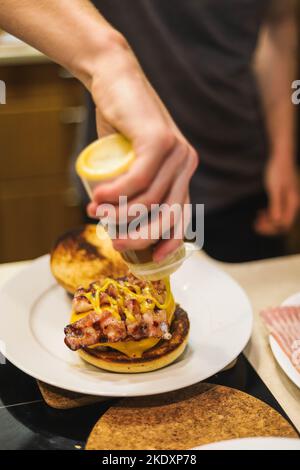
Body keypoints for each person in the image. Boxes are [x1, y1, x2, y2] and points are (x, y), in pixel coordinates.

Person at [0, 0, 298, 263]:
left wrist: (282, 155)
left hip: (240, 182)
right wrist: (108, 60)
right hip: (122, 179)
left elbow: (278, 24)